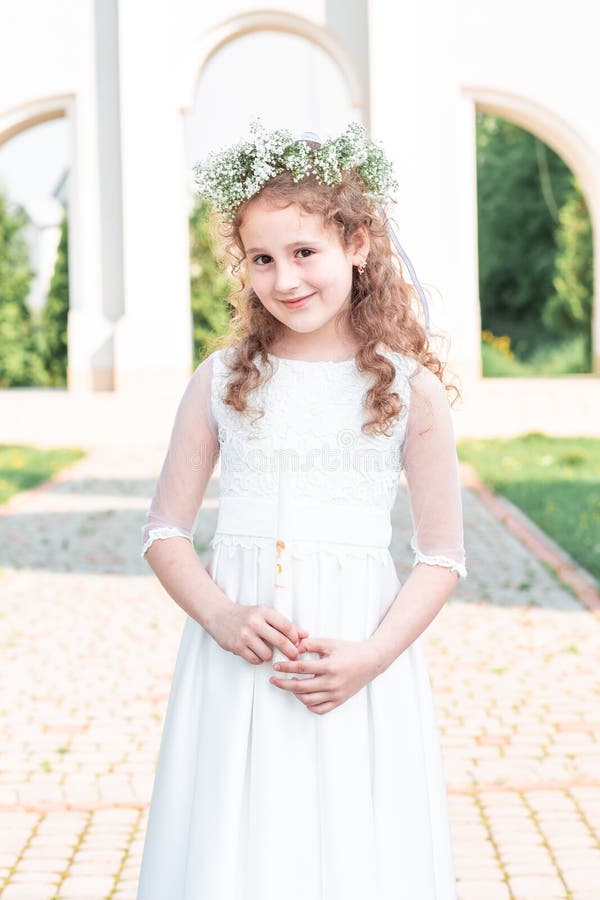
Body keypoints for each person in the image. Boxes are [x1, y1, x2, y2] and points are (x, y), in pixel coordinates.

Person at [136, 119, 467, 900]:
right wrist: (220, 615)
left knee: (353, 843)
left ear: (357, 243)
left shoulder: (406, 387)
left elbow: (442, 554)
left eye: (304, 252)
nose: (285, 279)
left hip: (355, 654)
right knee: (236, 840)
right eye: (262, 258)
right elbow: (164, 531)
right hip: (239, 662)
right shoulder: (220, 381)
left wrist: (372, 657)